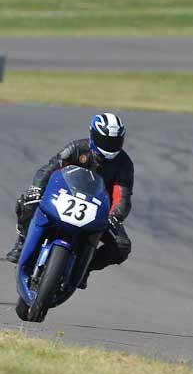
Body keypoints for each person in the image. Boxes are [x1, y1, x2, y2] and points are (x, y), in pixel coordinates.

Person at [6, 113, 134, 284]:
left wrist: (114, 217)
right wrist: (36, 189)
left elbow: (122, 197)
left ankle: (85, 267)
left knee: (122, 246)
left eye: (115, 141)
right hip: (63, 197)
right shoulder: (77, 148)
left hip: (98, 210)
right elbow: (49, 169)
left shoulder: (124, 164)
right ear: (93, 135)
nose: (110, 146)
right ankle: (22, 242)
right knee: (28, 202)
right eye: (105, 140)